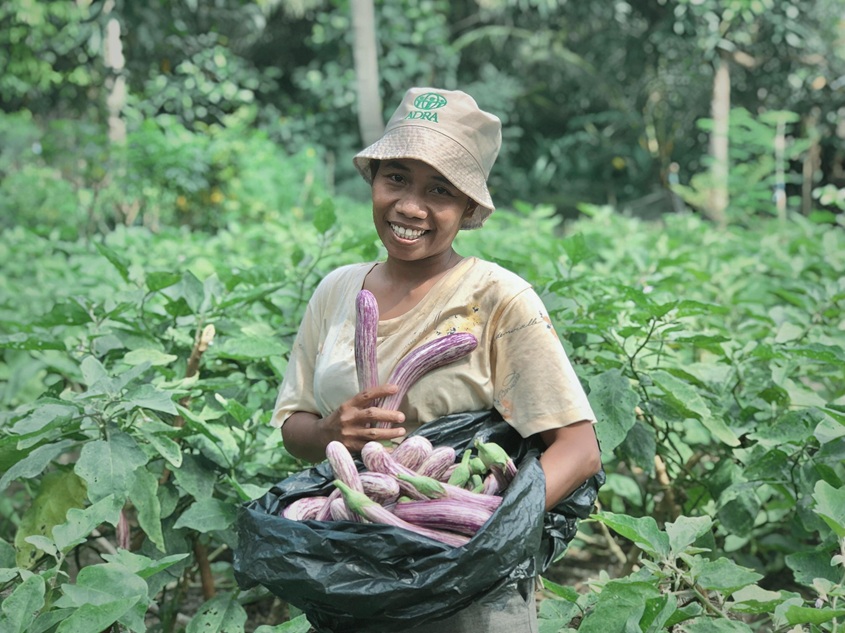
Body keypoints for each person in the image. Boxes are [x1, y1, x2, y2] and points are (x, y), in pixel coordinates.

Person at [272, 87, 602, 632]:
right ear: (373, 178)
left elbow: (579, 450)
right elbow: (294, 425)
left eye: (440, 190)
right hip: (356, 571)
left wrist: (475, 526)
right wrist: (333, 429)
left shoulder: (498, 298)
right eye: (396, 177)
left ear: (469, 208)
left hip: (466, 589)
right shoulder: (337, 291)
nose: (409, 206)